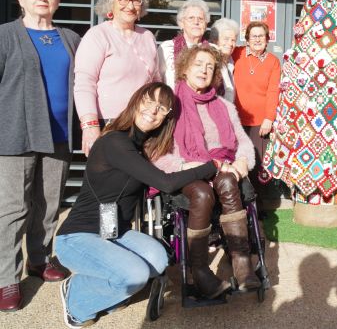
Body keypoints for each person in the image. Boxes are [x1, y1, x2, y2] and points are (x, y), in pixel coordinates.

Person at [55, 82, 219, 327]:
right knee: (136, 275)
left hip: (113, 233)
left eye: (162, 108)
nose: (153, 111)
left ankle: (108, 282)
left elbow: (163, 173)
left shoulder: (140, 150)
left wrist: (190, 166)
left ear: (166, 118)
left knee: (159, 260)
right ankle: (77, 299)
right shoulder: (114, 142)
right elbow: (164, 182)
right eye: (149, 101)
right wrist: (211, 167)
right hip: (78, 237)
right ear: (136, 101)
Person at [0, 0, 81, 312]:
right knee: (13, 208)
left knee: (49, 203)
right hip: (15, 133)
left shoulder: (71, 38)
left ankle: (39, 258)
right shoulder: (5, 35)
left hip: (59, 134)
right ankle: (6, 278)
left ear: (58, 0)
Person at [154, 45, 259, 297]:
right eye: (199, 64)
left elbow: (242, 141)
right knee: (201, 194)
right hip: (185, 170)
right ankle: (199, 271)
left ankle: (241, 264)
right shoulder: (170, 104)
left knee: (226, 181)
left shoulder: (224, 105)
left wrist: (243, 160)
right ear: (185, 69)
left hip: (223, 169)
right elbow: (158, 150)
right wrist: (185, 166)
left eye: (210, 66)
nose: (204, 69)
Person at [74, 0, 160, 155]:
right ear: (110, 2)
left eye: (136, 0)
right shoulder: (98, 35)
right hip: (110, 123)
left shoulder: (148, 37)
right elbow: (84, 83)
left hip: (143, 123)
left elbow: (156, 80)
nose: (130, 6)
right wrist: (90, 126)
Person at [232, 21, 280, 191]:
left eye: (261, 36)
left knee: (257, 163)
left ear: (267, 39)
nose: (258, 39)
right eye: (254, 36)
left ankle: (256, 206)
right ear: (247, 39)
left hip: (260, 122)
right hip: (235, 118)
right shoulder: (236, 53)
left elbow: (273, 91)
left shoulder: (273, 62)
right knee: (236, 159)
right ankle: (236, 201)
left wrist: (269, 118)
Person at [158, 0, 210, 88]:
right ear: (181, 23)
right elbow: (157, 81)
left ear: (205, 25)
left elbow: (226, 88)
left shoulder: (213, 50)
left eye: (201, 19)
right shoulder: (166, 48)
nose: (196, 22)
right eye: (191, 18)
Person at [209, 17, 238, 102]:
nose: (230, 43)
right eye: (226, 39)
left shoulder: (230, 62)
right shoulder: (210, 59)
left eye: (233, 40)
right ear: (215, 40)